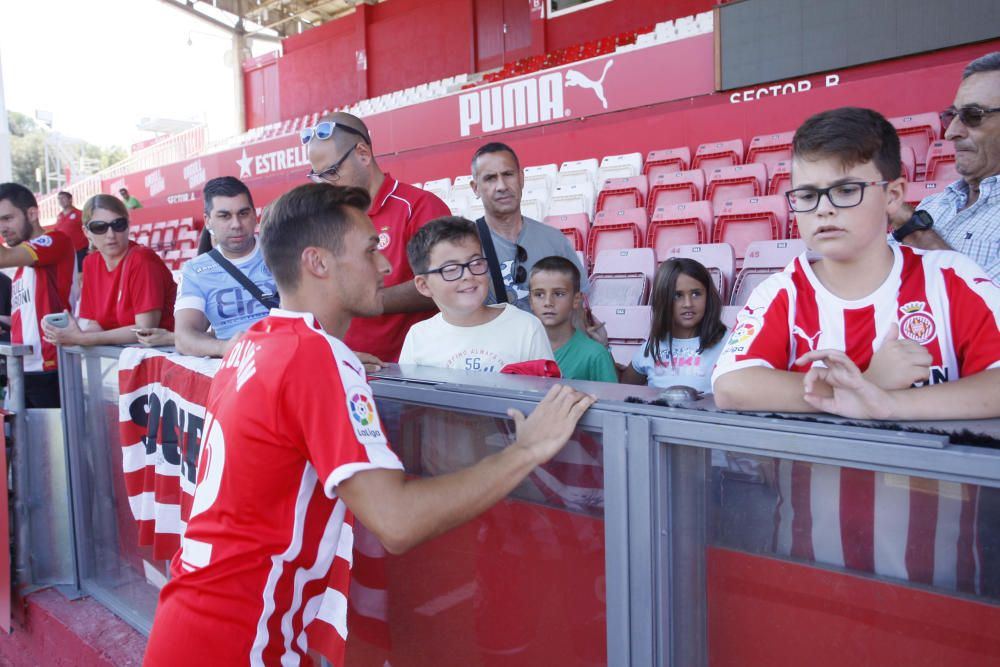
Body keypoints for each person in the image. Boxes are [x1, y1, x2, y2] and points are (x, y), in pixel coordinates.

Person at [142, 184, 595, 666]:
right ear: (318, 263)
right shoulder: (316, 358)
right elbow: (397, 521)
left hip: (202, 619)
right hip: (236, 637)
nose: (386, 267)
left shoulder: (258, 342)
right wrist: (524, 451)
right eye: (370, 250)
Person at [711, 107, 1000, 420]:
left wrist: (884, 403)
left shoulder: (952, 276)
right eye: (807, 196)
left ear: (893, 196)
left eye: (846, 190)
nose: (823, 209)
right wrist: (867, 384)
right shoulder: (781, 292)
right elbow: (732, 385)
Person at [304, 112, 449, 362]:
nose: (325, 184)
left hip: (409, 370)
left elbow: (441, 283)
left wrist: (361, 300)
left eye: (331, 171)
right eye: (317, 176)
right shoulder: (326, 218)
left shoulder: (419, 206)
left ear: (363, 153)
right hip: (347, 365)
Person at [889, 51, 1000, 279]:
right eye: (952, 116)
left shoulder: (915, 219)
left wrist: (913, 229)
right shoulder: (935, 203)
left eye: (973, 116)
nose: (951, 133)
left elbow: (990, 309)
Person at [398, 216, 554, 371]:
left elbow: (546, 393)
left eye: (476, 263)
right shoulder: (418, 337)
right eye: (451, 269)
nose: (468, 275)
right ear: (424, 285)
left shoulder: (526, 328)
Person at [470, 142, 590, 313]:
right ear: (475, 188)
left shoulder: (554, 240)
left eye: (508, 174)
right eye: (490, 178)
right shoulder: (467, 247)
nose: (502, 186)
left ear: (521, 178)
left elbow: (578, 308)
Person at [41, 195, 176, 347]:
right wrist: (75, 335)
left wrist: (83, 339)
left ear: (128, 225)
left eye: (118, 224)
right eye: (100, 227)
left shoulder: (142, 259)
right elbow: (96, 325)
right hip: (125, 361)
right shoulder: (90, 263)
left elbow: (145, 330)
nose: (110, 235)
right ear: (86, 232)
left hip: (164, 359)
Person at [172, 176, 277, 358]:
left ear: (254, 215)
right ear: (208, 221)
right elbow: (184, 337)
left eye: (243, 213)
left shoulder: (284, 253)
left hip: (289, 358)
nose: (236, 224)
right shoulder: (195, 270)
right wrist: (225, 348)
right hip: (235, 369)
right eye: (224, 216)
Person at [0, 183, 76, 408]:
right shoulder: (22, 266)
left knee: (54, 443)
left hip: (51, 369)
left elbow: (3, 258)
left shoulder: (55, 240)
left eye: (7, 218)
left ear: (32, 213)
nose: (2, 228)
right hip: (21, 368)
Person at [621, 258, 727, 392]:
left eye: (696, 294)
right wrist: (604, 347)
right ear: (662, 300)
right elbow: (621, 391)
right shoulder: (651, 347)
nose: (688, 303)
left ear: (708, 297)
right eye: (677, 296)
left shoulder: (730, 345)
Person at [529, 255, 616, 382]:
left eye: (559, 294)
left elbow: (610, 400)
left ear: (576, 300)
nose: (548, 302)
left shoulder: (595, 355)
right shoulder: (520, 349)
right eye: (539, 294)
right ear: (530, 300)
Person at [55, 191, 89, 270]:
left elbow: (89, 230)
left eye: (63, 198)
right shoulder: (60, 216)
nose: (61, 201)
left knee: (81, 275)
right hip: (65, 252)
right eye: (59, 199)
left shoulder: (80, 214)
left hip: (80, 251)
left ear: (70, 199)